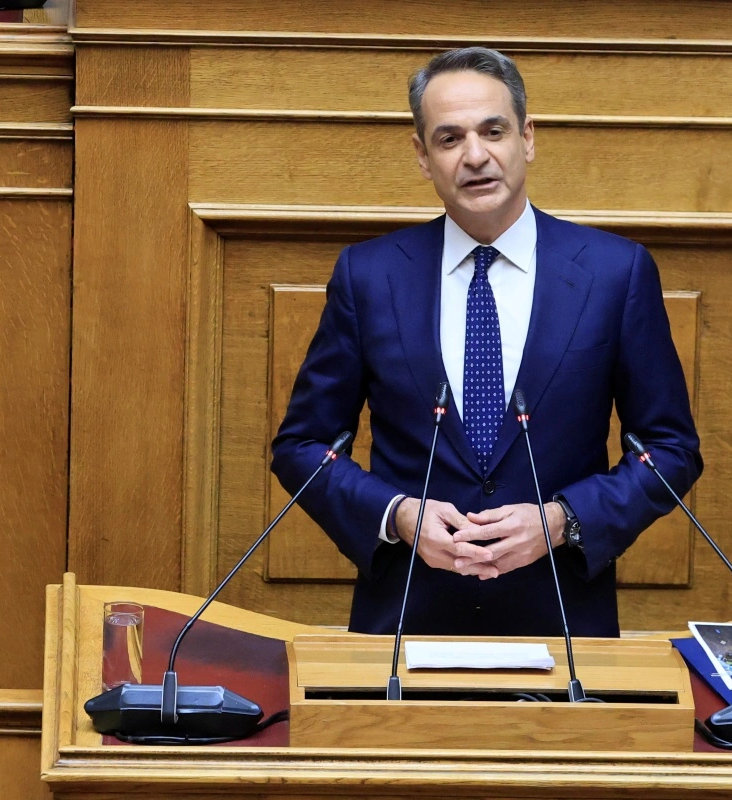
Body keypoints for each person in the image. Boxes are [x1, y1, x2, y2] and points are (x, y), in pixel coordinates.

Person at [270, 47, 702, 637]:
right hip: (404, 624)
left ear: (527, 138)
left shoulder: (613, 273)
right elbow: (303, 445)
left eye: (493, 131)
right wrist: (396, 516)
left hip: (562, 623)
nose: (475, 156)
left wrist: (562, 521)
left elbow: (670, 449)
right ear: (422, 156)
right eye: (449, 139)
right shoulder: (369, 276)